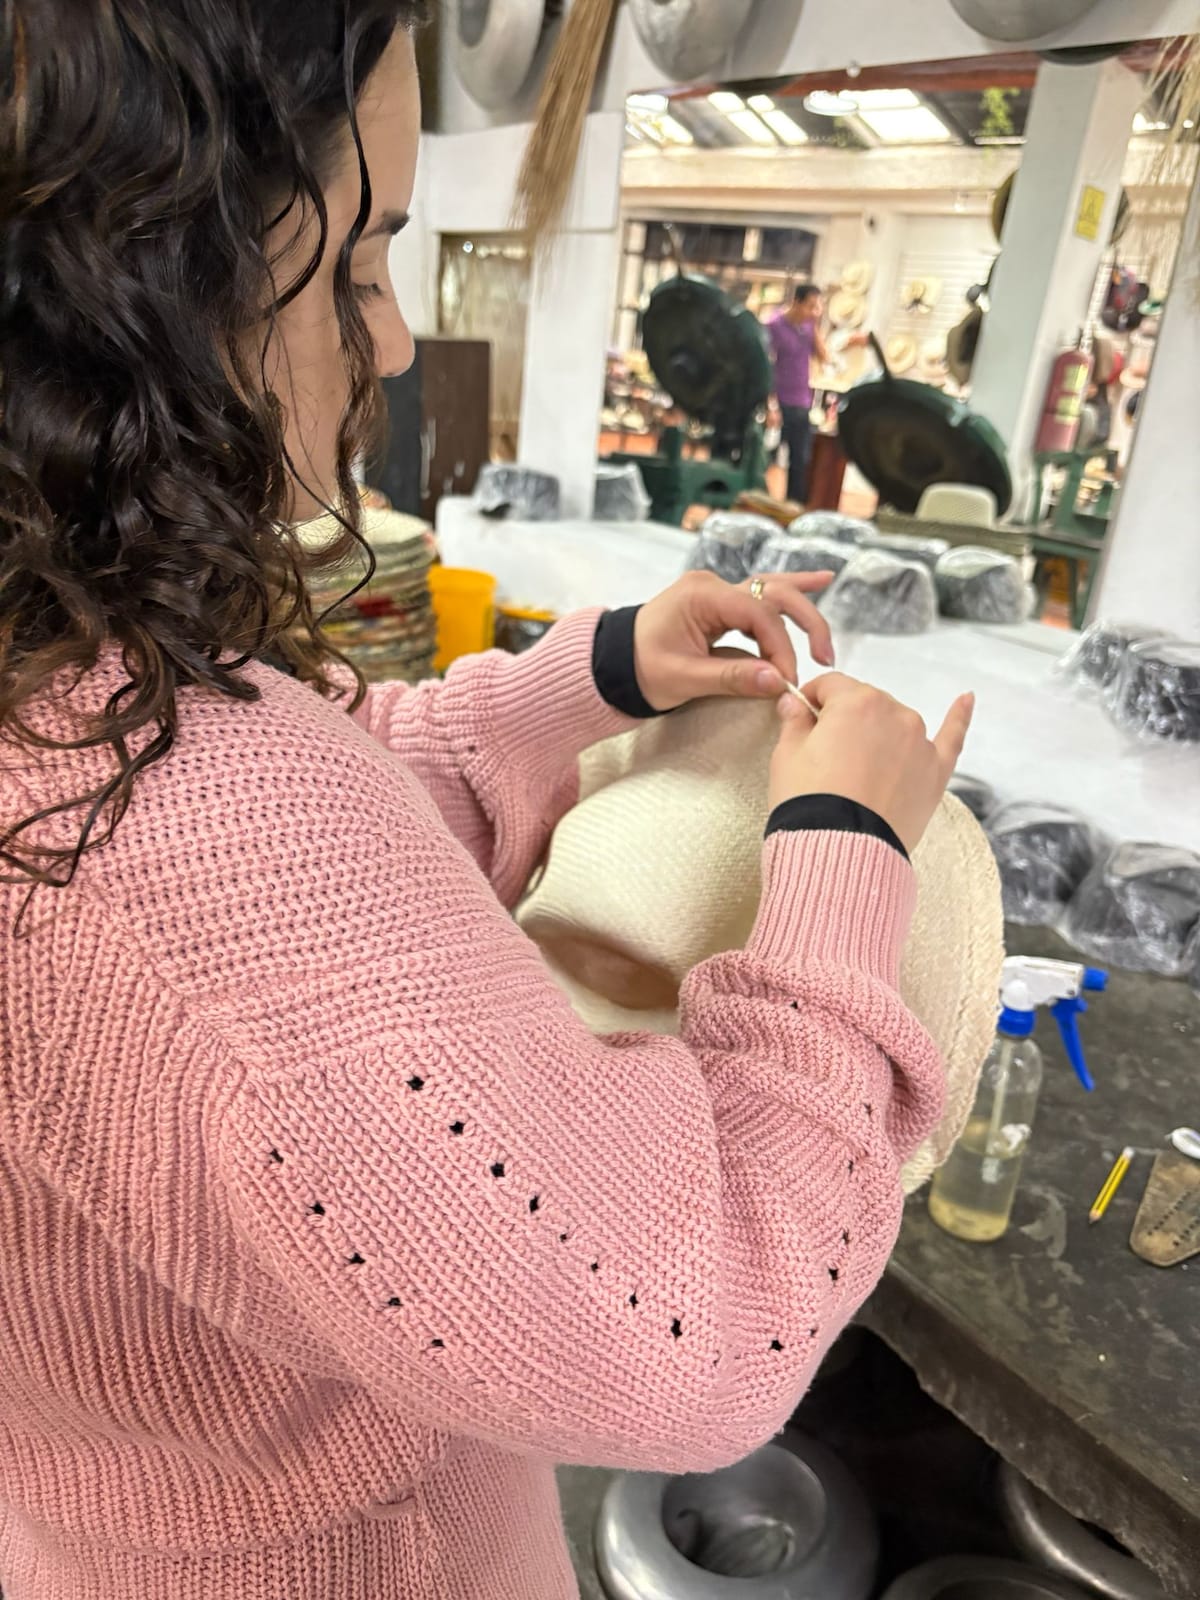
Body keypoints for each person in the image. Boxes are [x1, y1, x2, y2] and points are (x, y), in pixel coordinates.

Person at [0, 5, 973, 1597]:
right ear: (141, 280)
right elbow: (702, 1327)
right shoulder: (174, 822)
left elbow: (310, 831)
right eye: (362, 261)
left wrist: (590, 676)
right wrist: (842, 851)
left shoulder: (50, 684)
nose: (390, 343)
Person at [767, 283, 829, 505]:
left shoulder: (808, 327)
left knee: (800, 460)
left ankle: (793, 506)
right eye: (810, 306)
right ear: (796, 302)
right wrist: (770, 405)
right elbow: (767, 366)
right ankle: (758, 502)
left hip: (802, 401)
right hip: (779, 402)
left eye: (817, 307)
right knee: (767, 457)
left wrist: (815, 326)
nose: (813, 311)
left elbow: (824, 356)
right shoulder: (774, 325)